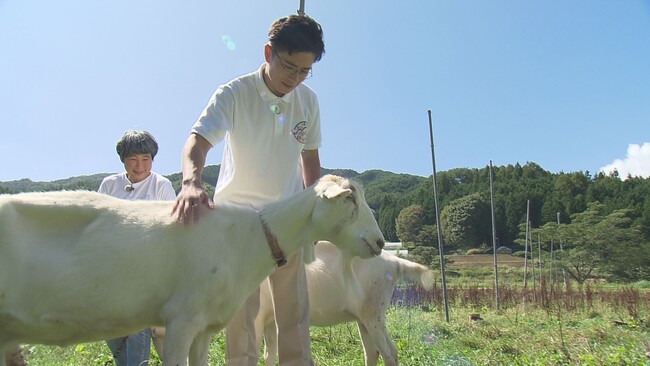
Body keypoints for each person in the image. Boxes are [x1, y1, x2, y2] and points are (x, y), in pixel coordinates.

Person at [172, 14, 325, 366]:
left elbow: (311, 158)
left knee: (294, 314)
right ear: (268, 52)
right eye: (289, 67)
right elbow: (197, 141)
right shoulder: (234, 92)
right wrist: (192, 183)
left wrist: (313, 208)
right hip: (238, 219)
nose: (294, 78)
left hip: (288, 217)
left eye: (305, 71)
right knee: (241, 316)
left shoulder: (308, 101)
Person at [98, 130, 176, 366]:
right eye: (133, 159)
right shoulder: (110, 185)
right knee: (112, 330)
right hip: (113, 269)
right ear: (123, 160)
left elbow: (172, 229)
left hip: (148, 271)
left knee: (138, 328)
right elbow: (98, 225)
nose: (140, 165)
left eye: (146, 159)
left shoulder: (161, 185)